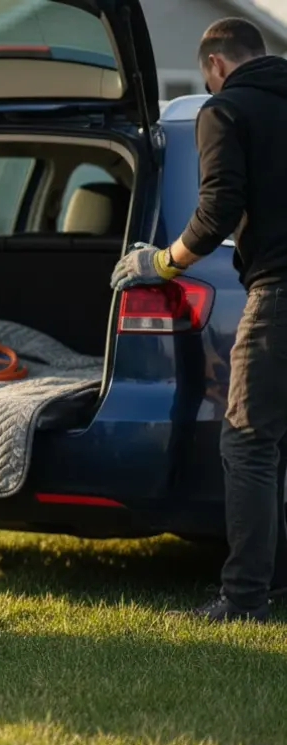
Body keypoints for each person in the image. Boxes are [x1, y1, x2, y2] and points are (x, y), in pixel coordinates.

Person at [110, 18, 287, 622]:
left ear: (214, 66)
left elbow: (215, 212)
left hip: (278, 295)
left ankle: (243, 600)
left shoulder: (224, 111)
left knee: (248, 443)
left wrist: (158, 262)